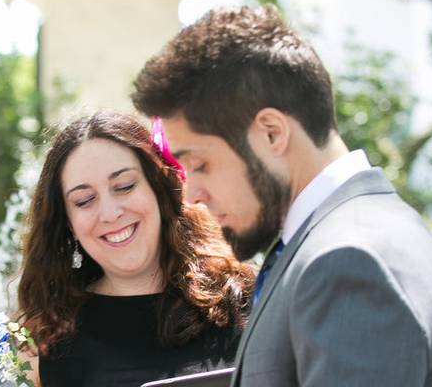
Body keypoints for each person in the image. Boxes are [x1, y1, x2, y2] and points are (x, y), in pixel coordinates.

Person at [131, 5, 432, 386]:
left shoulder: (348, 262)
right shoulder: (373, 229)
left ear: (271, 132)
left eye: (199, 164)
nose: (194, 194)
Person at [17, 111, 255, 387]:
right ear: (67, 222)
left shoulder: (248, 296)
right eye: (84, 200)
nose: (109, 213)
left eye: (125, 186)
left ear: (159, 187)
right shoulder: (48, 342)